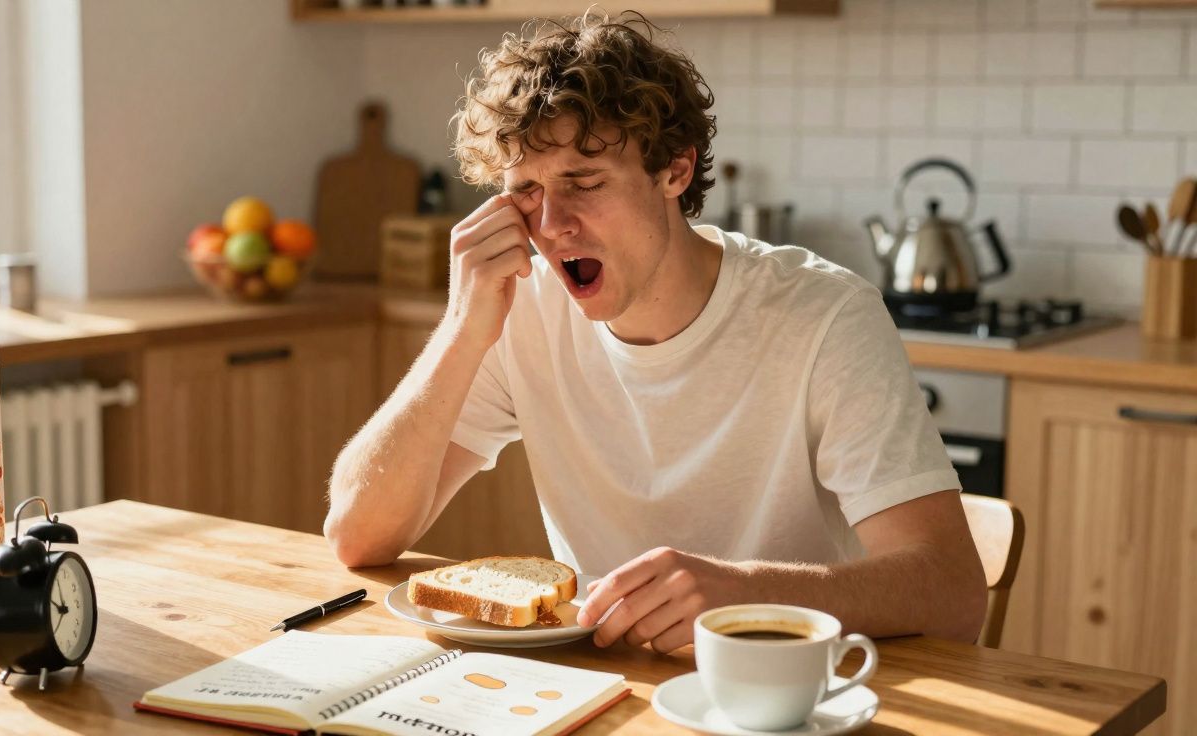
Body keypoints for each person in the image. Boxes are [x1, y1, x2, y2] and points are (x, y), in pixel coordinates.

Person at [324, 12, 987, 653]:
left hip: (787, 696)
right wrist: (462, 330)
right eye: (525, 189)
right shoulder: (519, 307)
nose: (551, 223)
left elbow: (953, 593)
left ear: (673, 170)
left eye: (583, 181)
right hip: (604, 686)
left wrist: (746, 595)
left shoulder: (824, 316)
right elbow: (357, 537)